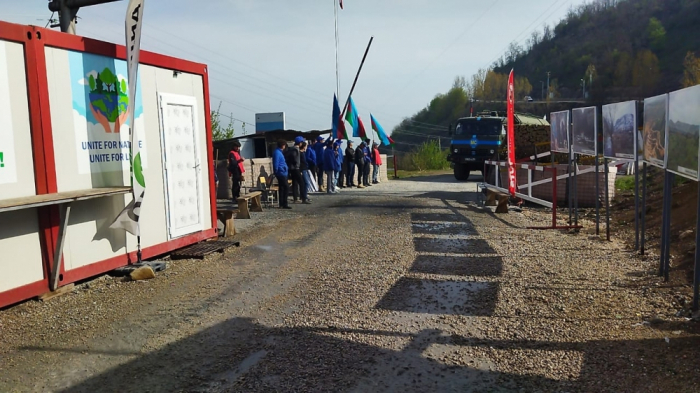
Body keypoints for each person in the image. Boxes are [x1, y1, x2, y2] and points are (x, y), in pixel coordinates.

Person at [273, 139, 291, 209]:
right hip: (281, 172)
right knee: (285, 187)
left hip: (283, 172)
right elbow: (276, 163)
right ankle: (284, 203)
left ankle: (282, 204)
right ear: (283, 145)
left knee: (282, 188)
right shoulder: (277, 152)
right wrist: (276, 171)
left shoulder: (279, 152)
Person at [286, 137, 302, 203]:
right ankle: (303, 197)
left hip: (291, 168)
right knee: (302, 183)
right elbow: (294, 158)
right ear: (300, 143)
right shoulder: (295, 149)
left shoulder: (291, 149)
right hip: (295, 168)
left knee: (294, 183)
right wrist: (296, 164)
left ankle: (295, 198)